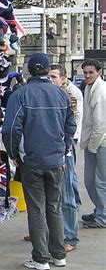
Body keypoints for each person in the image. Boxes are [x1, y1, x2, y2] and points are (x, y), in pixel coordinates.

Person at [2, 53, 76, 270]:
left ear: (28, 69)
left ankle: (41, 258)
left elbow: (11, 129)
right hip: (55, 159)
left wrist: (14, 153)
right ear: (46, 70)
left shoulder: (21, 94)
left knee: (36, 209)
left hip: (32, 160)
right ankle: (58, 254)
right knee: (54, 207)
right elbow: (70, 125)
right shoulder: (60, 94)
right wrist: (64, 148)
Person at [48, 64, 83, 251]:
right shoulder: (48, 95)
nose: (50, 80)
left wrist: (66, 147)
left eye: (53, 77)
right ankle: (47, 232)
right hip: (48, 151)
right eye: (48, 76)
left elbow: (71, 126)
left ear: (63, 78)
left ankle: (70, 236)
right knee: (48, 195)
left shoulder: (70, 96)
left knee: (66, 194)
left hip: (64, 151)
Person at [79, 59, 106, 228]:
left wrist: (93, 147)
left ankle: (102, 216)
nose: (87, 75)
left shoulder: (100, 91)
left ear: (99, 72)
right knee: (90, 180)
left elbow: (100, 124)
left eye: (91, 72)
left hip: (101, 143)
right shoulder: (90, 87)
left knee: (100, 181)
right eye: (85, 72)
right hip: (93, 141)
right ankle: (100, 210)